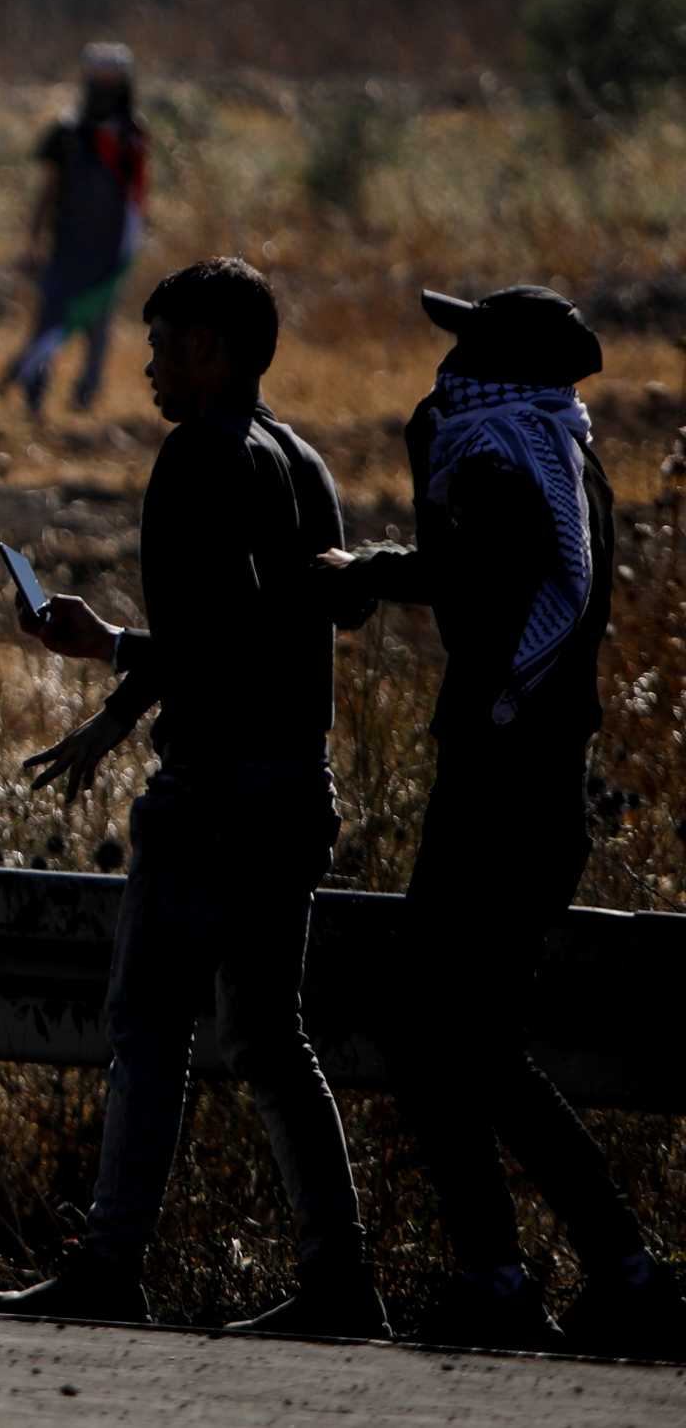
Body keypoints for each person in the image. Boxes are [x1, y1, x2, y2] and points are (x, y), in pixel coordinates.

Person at [0, 258, 386, 1337]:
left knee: (148, 1023)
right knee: (269, 1037)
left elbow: (212, 647)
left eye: (161, 345)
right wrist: (110, 649)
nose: (149, 366)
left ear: (209, 346)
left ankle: (110, 1265)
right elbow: (261, 635)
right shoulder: (301, 463)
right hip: (296, 783)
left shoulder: (194, 458)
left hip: (211, 792)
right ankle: (341, 1280)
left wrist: (113, 713)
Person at [315, 288, 686, 1358]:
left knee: (440, 1040)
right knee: (465, 1044)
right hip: (532, 781)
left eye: (467, 345)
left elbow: (489, 573)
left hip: (502, 783)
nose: (446, 367)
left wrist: (371, 571)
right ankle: (602, 1276)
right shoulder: (557, 448)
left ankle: (527, 1278)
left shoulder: (491, 449)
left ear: (495, 363)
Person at [0, 44, 150, 417]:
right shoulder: (67, 134)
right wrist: (34, 241)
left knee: (98, 328)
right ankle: (31, 394)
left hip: (108, 251)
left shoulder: (131, 137)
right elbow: (47, 192)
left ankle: (83, 402)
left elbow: (138, 196)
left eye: (112, 83)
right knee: (49, 324)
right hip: (66, 249)